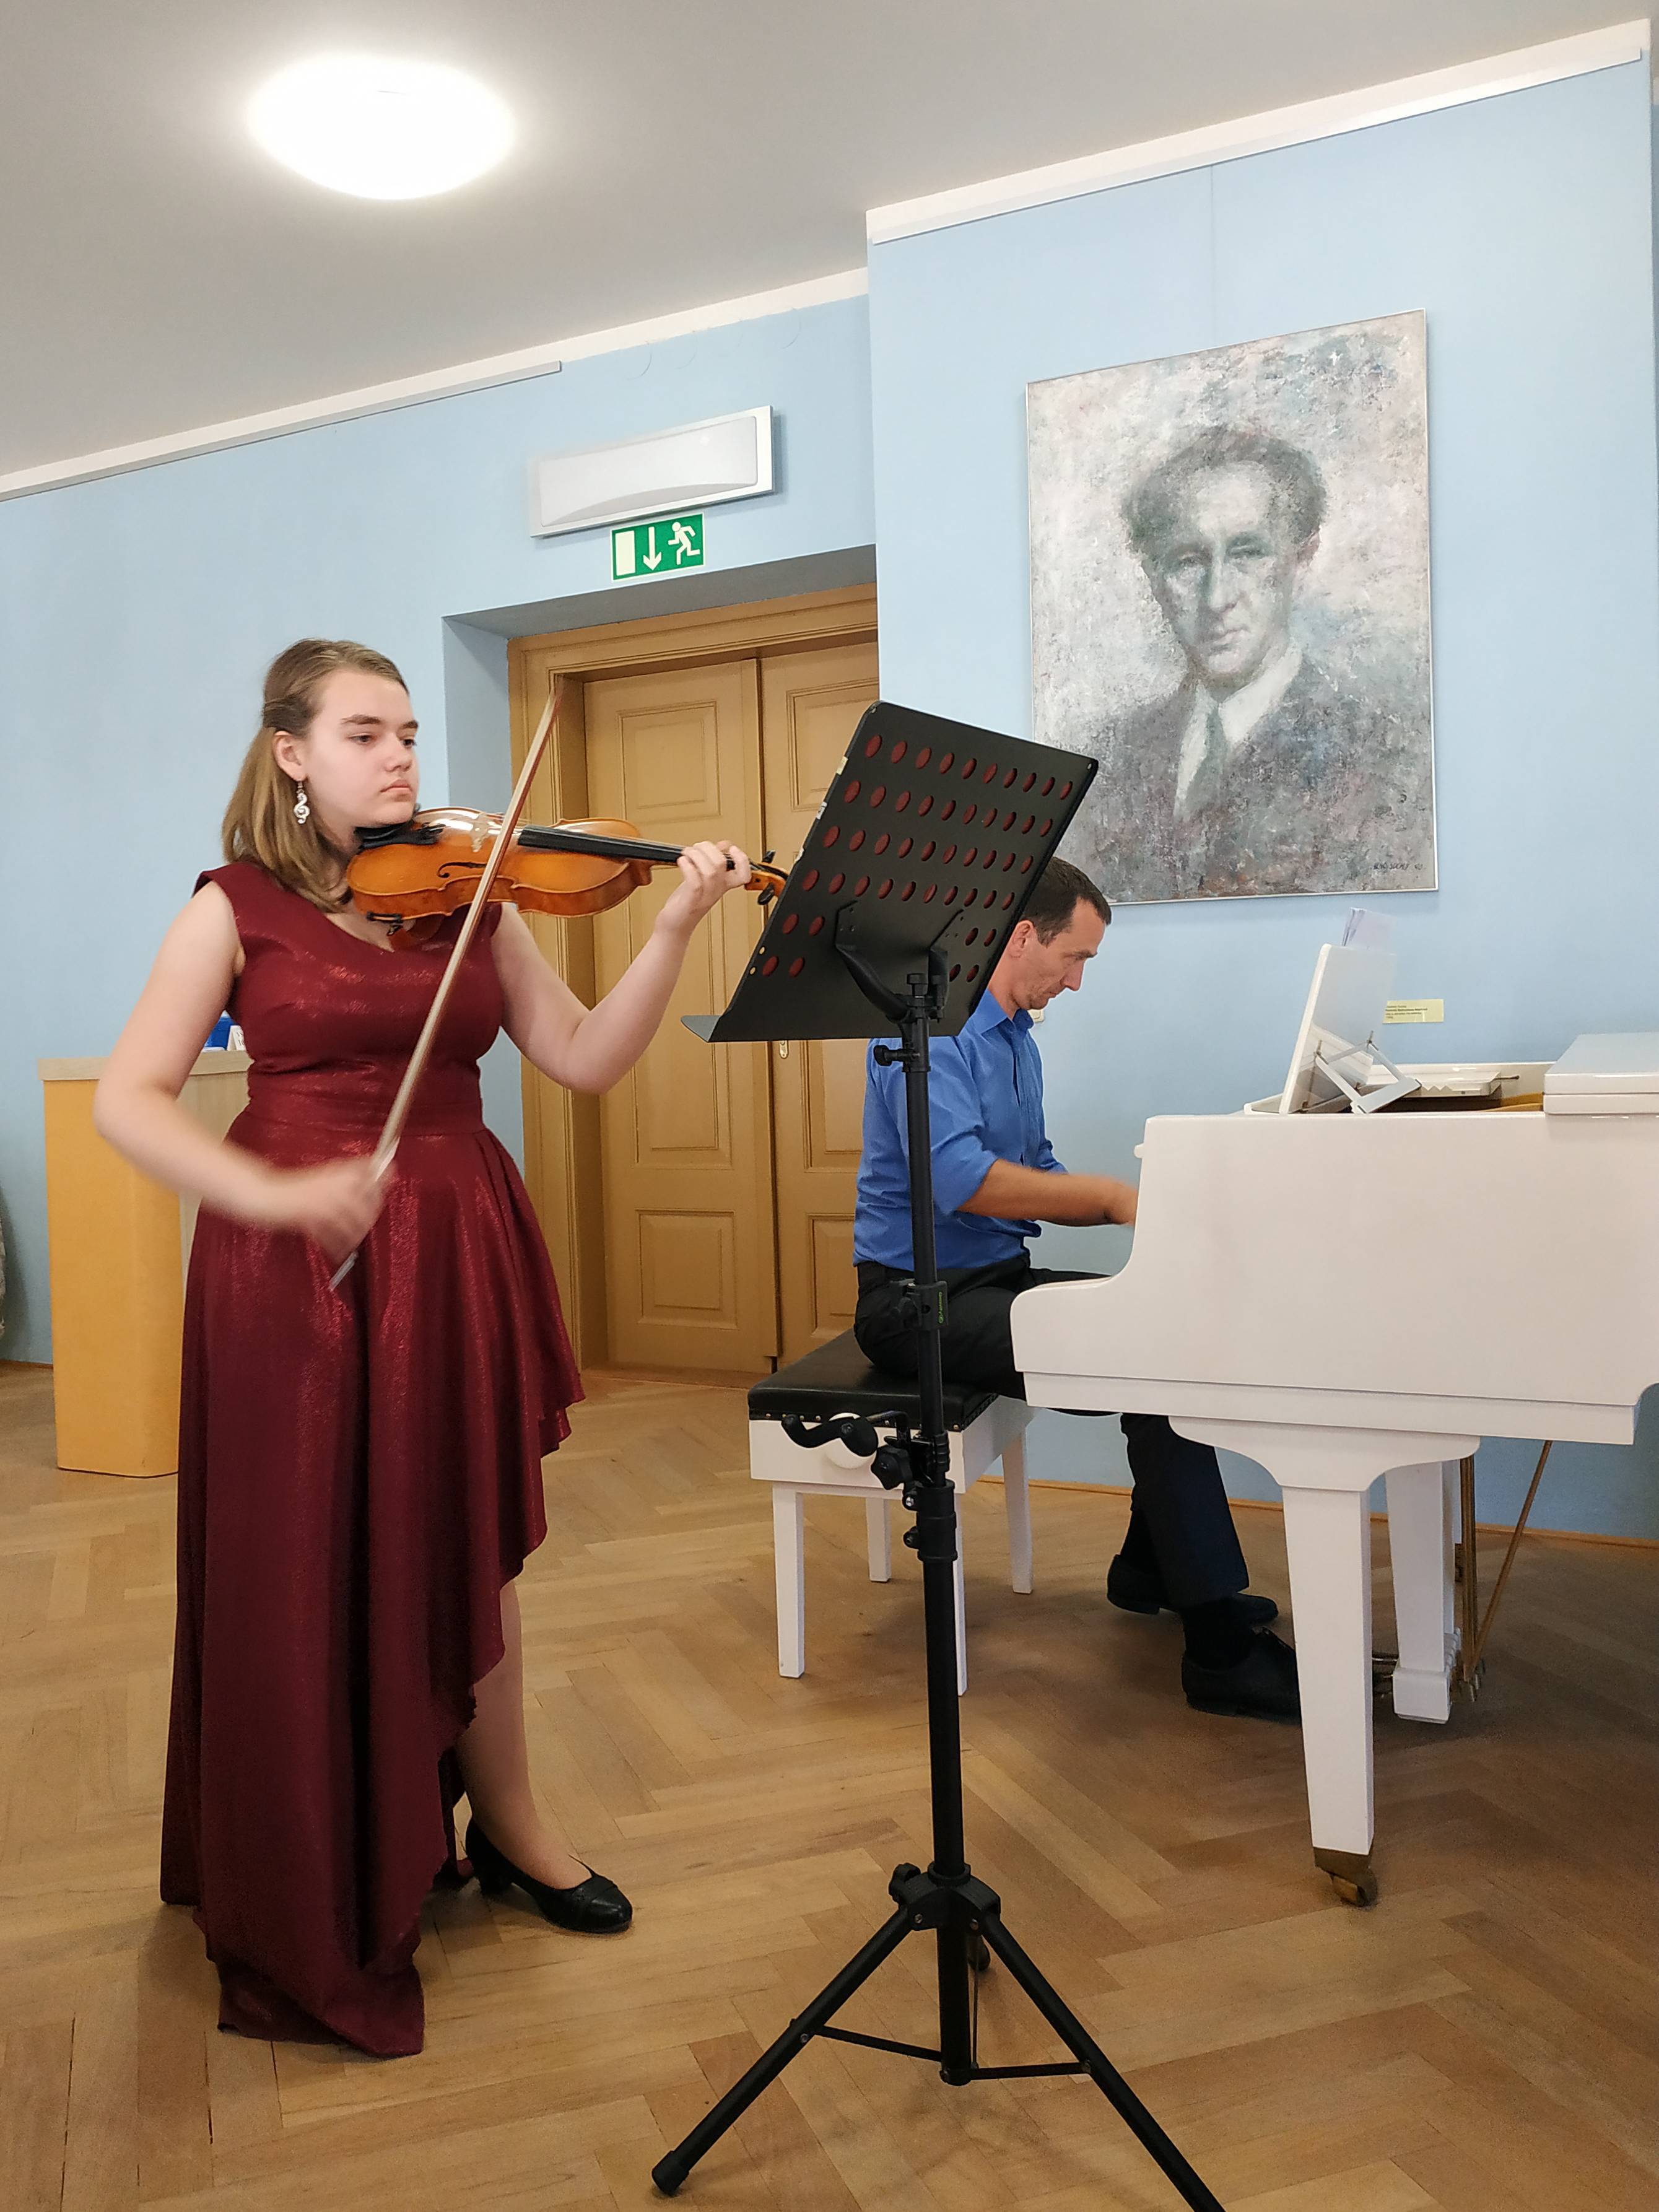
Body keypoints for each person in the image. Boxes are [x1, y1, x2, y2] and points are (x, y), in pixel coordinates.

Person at [94, 638, 754, 2056]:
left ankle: (513, 1825)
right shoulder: (232, 908)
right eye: (364, 733)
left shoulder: (472, 894)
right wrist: (274, 1194)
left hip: (454, 1246)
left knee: (467, 1542)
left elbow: (582, 1057)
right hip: (293, 1265)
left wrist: (671, 930)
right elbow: (128, 1099)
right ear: (290, 753)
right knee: (303, 1560)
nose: (399, 756)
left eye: (405, 732)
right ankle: (307, 1858)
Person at [851, 856, 1299, 1722]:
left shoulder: (1014, 1038)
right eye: (1075, 958)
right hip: (914, 1304)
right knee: (1153, 1356)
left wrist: (1159, 1200)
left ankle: (1150, 1570)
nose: (1078, 981)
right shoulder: (927, 1035)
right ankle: (1217, 1650)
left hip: (991, 1280)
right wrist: (1114, 1199)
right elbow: (963, 1181)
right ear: (1022, 936)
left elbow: (1035, 1171)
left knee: (1169, 1333)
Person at [1085, 427, 1432, 902]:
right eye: (1187, 561)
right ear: (1153, 579)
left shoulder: (1383, 758)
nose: (1216, 598)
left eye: (1247, 553)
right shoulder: (1112, 760)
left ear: (1301, 560)